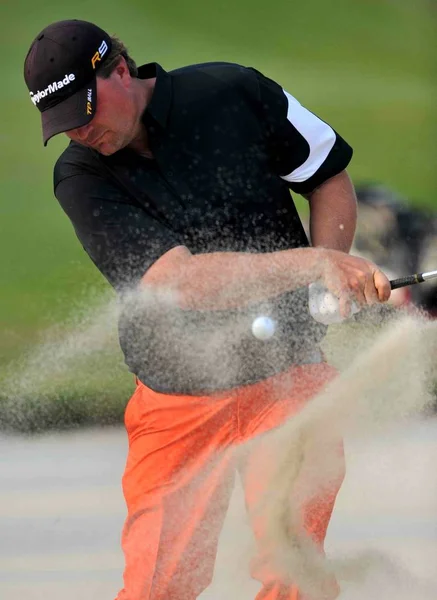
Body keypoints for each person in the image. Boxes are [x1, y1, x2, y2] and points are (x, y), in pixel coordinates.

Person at [24, 19, 391, 600]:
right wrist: (313, 264)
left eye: (85, 110)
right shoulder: (81, 175)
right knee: (158, 587)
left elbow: (327, 175)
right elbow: (177, 283)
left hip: (289, 377)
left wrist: (330, 279)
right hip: (179, 399)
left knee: (294, 575)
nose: (80, 132)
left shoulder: (233, 92)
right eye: (64, 123)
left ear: (118, 70)